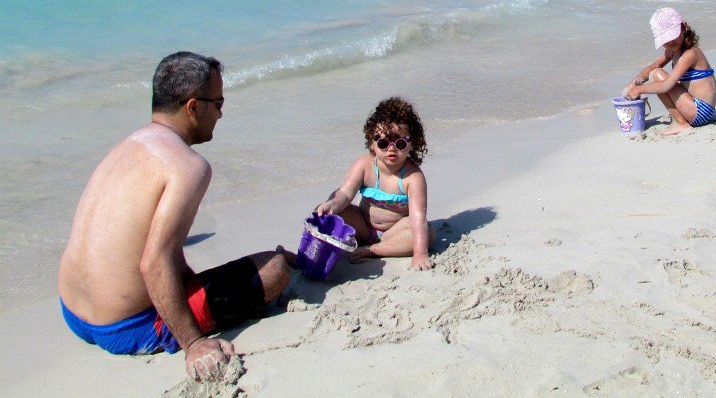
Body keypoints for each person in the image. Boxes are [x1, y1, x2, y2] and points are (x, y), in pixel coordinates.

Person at [58, 52, 293, 379]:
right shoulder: (189, 167)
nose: (221, 114)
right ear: (194, 107)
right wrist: (193, 343)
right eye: (219, 103)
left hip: (71, 311)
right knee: (276, 268)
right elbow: (154, 262)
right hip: (124, 327)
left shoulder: (129, 145)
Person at [314, 97, 434, 270]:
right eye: (384, 143)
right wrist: (332, 204)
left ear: (412, 144)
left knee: (427, 233)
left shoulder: (413, 177)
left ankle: (373, 250)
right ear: (372, 143)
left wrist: (420, 254)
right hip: (361, 228)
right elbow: (345, 194)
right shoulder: (364, 165)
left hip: (394, 235)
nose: (391, 149)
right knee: (325, 211)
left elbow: (417, 217)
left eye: (400, 143)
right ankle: (313, 255)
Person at [622, 8, 716, 136]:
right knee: (654, 72)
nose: (671, 42)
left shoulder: (690, 53)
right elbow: (652, 67)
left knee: (657, 75)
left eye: (673, 36)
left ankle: (680, 123)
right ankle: (680, 121)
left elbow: (666, 85)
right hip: (695, 109)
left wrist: (639, 90)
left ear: (684, 27)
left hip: (700, 111)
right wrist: (634, 83)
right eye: (666, 39)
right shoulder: (672, 51)